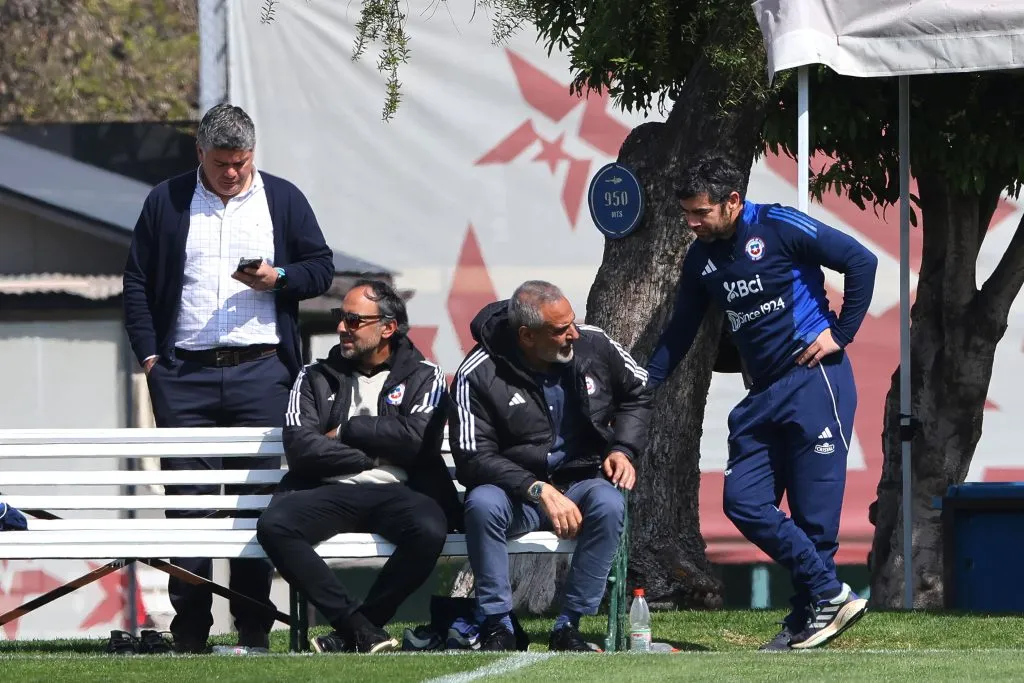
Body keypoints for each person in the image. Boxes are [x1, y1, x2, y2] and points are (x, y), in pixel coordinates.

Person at [122, 103, 334, 653]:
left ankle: (254, 629)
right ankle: (190, 630)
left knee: (256, 505)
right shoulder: (166, 200)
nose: (232, 172)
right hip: (184, 374)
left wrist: (277, 277)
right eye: (221, 163)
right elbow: (137, 284)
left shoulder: (282, 199)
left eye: (241, 162)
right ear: (200, 153)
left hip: (261, 373)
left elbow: (321, 267)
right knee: (188, 506)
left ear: (252, 154)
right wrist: (151, 361)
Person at [646, 155, 878, 651]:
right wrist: (646, 385)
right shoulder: (700, 259)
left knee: (816, 521)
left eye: (700, 213)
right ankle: (829, 593)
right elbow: (681, 329)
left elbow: (862, 261)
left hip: (816, 382)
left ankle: (803, 618)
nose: (691, 223)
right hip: (762, 396)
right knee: (742, 501)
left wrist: (840, 335)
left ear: (733, 201)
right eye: (686, 213)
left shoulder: (777, 224)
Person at [257, 280, 462, 654]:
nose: (341, 328)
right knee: (274, 525)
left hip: (399, 491)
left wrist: (349, 430)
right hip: (326, 489)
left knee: (430, 528)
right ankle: (359, 628)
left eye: (353, 320)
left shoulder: (424, 375)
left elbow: (417, 442)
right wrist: (371, 456)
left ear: (387, 327)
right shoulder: (313, 376)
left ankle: (361, 627)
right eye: (341, 317)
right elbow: (302, 448)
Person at [448, 281, 653, 652]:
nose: (573, 334)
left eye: (572, 322)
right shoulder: (477, 372)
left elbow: (638, 392)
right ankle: (498, 625)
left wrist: (623, 447)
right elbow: (472, 457)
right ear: (526, 336)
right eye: (560, 330)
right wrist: (537, 490)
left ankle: (569, 625)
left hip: (579, 482)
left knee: (609, 504)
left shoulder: (595, 344)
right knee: (481, 504)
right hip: (515, 494)